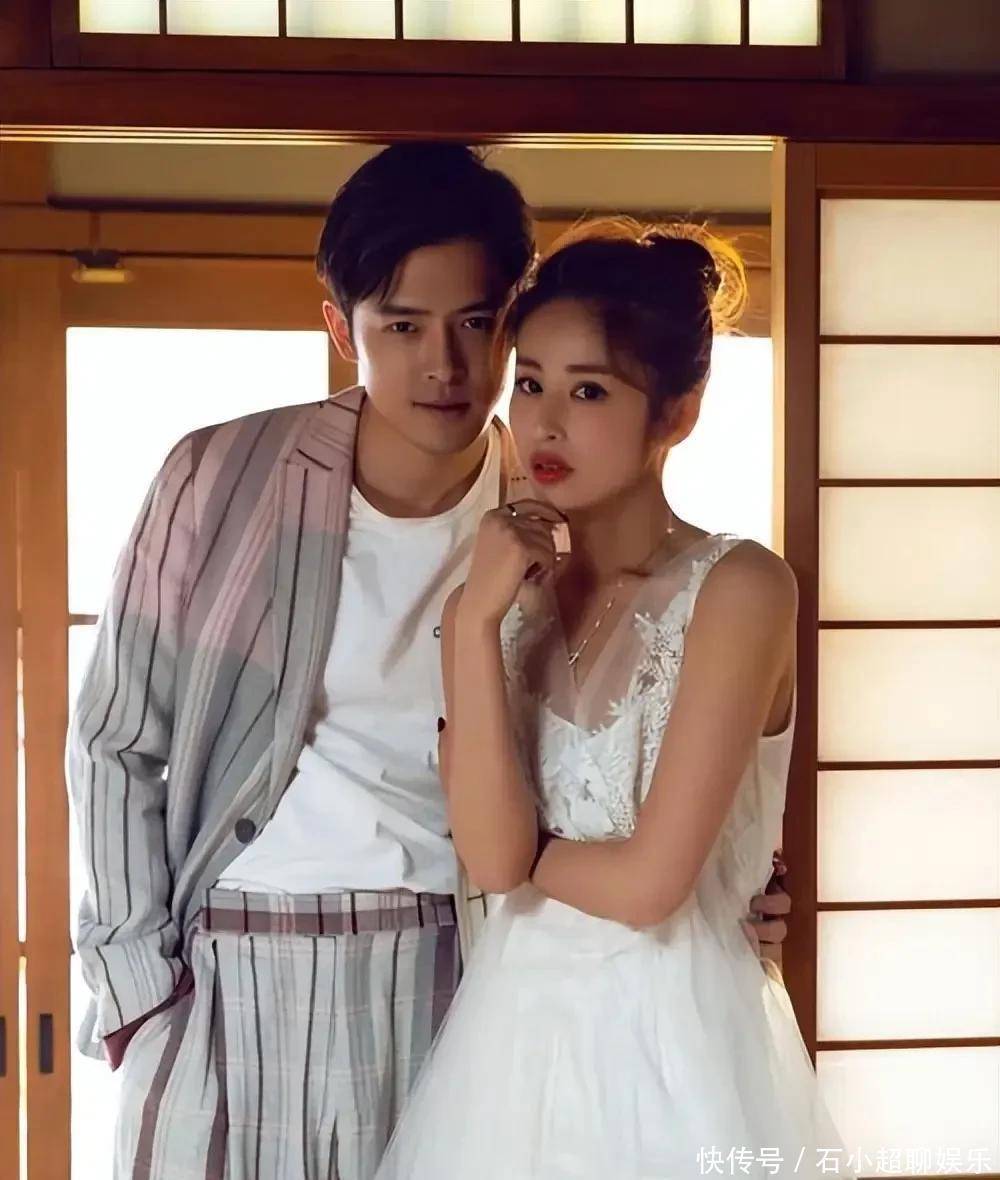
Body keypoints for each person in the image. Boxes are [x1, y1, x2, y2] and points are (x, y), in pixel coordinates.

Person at [66, 145, 791, 1180]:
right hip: (225, 967)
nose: (445, 366)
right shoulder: (217, 477)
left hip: (455, 971)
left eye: (478, 324)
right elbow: (114, 741)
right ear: (342, 328)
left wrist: (727, 881)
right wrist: (139, 997)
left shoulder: (552, 511)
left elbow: (641, 755)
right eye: (402, 326)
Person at [375, 218, 848, 1180]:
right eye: (531, 383)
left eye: (589, 391)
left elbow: (645, 886)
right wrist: (474, 622)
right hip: (509, 1047)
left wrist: (524, 857)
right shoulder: (490, 605)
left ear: (678, 413)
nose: (545, 423)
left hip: (677, 1046)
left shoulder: (741, 589)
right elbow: (486, 859)